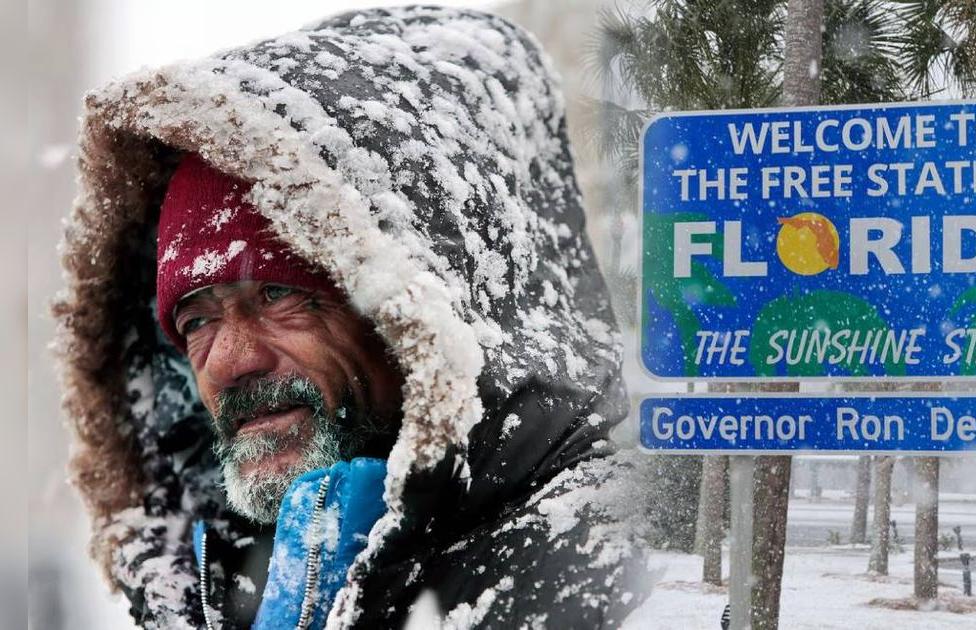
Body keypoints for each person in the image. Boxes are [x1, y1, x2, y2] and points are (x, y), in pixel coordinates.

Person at [54, 6, 644, 628]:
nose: (229, 362)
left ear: (421, 306)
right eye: (195, 321)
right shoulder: (220, 579)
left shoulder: (604, 583)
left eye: (278, 295)